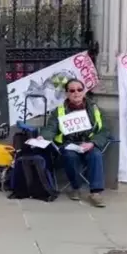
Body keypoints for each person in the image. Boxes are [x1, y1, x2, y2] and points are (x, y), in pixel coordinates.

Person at [39, 78, 109, 207]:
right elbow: (50, 128)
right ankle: (75, 187)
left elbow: (104, 131)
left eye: (79, 89)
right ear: (67, 94)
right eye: (72, 90)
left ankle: (96, 193)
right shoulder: (59, 111)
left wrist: (92, 143)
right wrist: (43, 137)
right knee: (69, 155)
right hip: (69, 144)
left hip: (89, 143)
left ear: (84, 92)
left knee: (96, 155)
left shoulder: (95, 109)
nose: (76, 93)